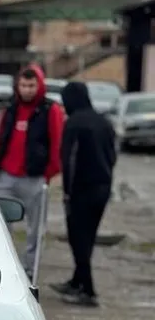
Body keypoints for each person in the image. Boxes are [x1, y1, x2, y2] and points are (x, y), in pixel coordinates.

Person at [0, 64, 65, 281]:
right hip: (6, 175)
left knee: (35, 228)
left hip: (35, 177)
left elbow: (57, 144)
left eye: (31, 85)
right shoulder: (10, 109)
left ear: (39, 85)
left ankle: (30, 269)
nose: (27, 90)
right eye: (23, 85)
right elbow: (1, 138)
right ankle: (2, 266)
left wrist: (49, 173)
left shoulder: (50, 110)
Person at [50, 81, 117, 307]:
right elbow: (112, 156)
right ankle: (77, 281)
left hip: (81, 190)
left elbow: (69, 160)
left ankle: (88, 290)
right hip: (103, 187)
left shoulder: (74, 124)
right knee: (88, 236)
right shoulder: (104, 122)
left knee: (78, 238)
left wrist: (67, 192)